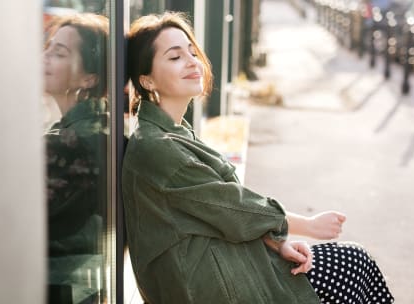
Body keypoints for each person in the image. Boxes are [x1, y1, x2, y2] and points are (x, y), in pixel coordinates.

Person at [122, 12, 394, 304]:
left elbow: (216, 213)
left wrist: (276, 243)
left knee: (352, 264)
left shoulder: (171, 132)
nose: (191, 62)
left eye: (192, 51)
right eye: (175, 57)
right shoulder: (157, 147)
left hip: (218, 259)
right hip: (204, 283)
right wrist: (308, 225)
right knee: (351, 265)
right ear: (147, 80)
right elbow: (232, 207)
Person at [43, 13, 109, 304]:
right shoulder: (97, 127)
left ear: (89, 78)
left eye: (58, 53)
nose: (44, 57)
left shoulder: (70, 144)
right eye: (48, 48)